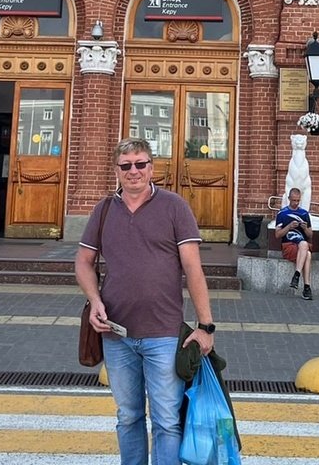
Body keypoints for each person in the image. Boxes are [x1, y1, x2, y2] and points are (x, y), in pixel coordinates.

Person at [75, 138, 215, 465]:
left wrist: (205, 326)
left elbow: (193, 268)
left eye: (140, 164)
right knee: (128, 417)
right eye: (126, 166)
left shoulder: (174, 206)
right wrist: (94, 300)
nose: (133, 171)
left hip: (163, 334)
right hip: (116, 334)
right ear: (116, 171)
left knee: (166, 420)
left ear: (152, 168)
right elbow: (83, 262)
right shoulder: (104, 210)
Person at [273, 187, 314, 300]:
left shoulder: (304, 213)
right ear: (289, 199)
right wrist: (289, 227)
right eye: (293, 200)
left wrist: (305, 229)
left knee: (306, 248)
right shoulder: (282, 213)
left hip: (302, 246)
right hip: (289, 244)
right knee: (307, 251)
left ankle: (300, 280)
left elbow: (310, 234)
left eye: (297, 200)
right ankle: (306, 287)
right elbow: (277, 235)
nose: (295, 203)